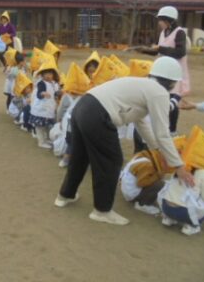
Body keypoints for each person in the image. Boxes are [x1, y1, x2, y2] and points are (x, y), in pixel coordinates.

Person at [55, 57, 194, 226]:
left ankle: (65, 196)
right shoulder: (159, 92)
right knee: (112, 161)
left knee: (80, 156)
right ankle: (102, 211)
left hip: (82, 107)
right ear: (173, 82)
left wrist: (156, 148)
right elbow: (163, 133)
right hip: (98, 114)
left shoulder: (143, 85)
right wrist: (178, 166)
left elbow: (140, 121)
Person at [136, 6, 190, 135]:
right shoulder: (163, 33)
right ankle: (161, 127)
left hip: (175, 72)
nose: (159, 23)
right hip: (162, 72)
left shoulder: (179, 32)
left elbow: (180, 52)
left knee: (172, 100)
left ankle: (172, 130)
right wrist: (144, 50)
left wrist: (160, 48)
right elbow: (158, 52)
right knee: (160, 98)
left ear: (169, 20)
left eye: (161, 20)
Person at [158, 126, 204, 235]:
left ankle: (168, 219)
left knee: (175, 191)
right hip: (184, 212)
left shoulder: (179, 167)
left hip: (165, 206)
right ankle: (191, 226)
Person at [119, 149, 169, 215]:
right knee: (160, 185)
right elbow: (141, 183)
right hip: (132, 194)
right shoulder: (147, 165)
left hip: (126, 187)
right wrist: (158, 176)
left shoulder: (143, 155)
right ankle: (142, 204)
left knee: (158, 181)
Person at [29, 58, 60, 149]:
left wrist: (60, 93)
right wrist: (43, 93)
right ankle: (41, 141)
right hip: (41, 110)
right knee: (40, 127)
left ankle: (46, 139)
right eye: (45, 74)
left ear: (53, 74)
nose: (48, 76)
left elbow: (55, 93)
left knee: (46, 126)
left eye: (50, 73)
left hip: (49, 109)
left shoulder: (54, 84)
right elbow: (39, 93)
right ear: (42, 75)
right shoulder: (41, 83)